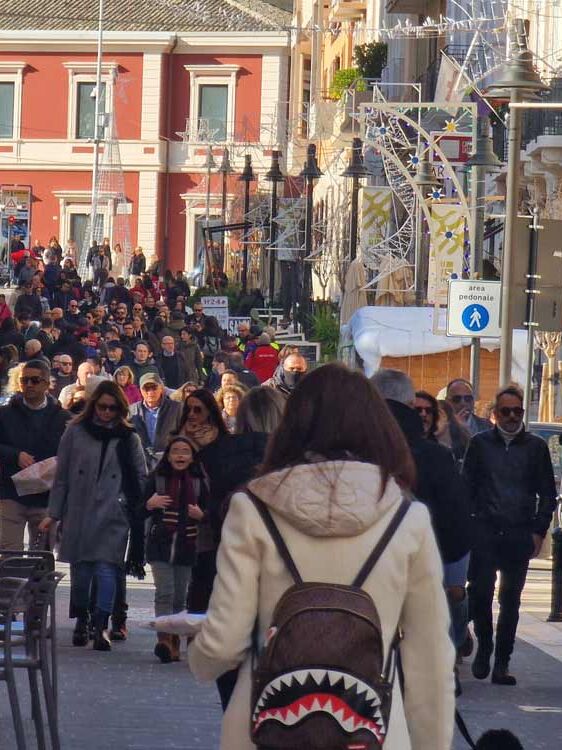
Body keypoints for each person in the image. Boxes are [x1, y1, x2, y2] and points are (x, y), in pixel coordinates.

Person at [187, 363, 455, 750]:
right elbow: (430, 659)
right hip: (373, 730)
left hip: (265, 728)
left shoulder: (253, 508)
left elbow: (224, 643)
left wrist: (198, 657)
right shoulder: (406, 519)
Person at [41, 381, 147, 651]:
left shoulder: (128, 436)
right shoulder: (75, 432)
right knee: (82, 571)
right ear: (93, 405)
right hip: (80, 508)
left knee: (107, 568)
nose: (107, 413)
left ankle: (101, 625)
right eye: (102, 407)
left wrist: (132, 506)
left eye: (113, 408)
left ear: (120, 408)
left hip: (114, 511)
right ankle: (82, 618)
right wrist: (53, 513)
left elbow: (140, 475)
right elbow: (62, 476)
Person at [463, 384, 557, 686]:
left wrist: (538, 531)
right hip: (485, 532)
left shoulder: (535, 447)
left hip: (519, 533)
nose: (513, 416)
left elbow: (548, 493)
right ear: (494, 414)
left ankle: (502, 662)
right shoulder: (479, 445)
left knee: (510, 600)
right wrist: (471, 526)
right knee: (480, 594)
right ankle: (485, 648)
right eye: (506, 411)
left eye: (517, 411)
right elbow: (468, 488)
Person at [144, 436, 208, 663]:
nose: (180, 455)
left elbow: (212, 512)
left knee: (180, 597)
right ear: (168, 455)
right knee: (165, 593)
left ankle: (174, 642)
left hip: (187, 545)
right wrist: (149, 505)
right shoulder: (157, 479)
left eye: (185, 451)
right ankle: (163, 640)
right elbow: (138, 507)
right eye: (175, 451)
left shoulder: (201, 482)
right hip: (160, 543)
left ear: (192, 457)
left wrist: (202, 516)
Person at [0, 359, 71, 550]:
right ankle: (11, 581)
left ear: (47, 384)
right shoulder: (5, 414)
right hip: (11, 493)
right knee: (9, 555)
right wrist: (15, 455)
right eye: (25, 380)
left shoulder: (62, 417)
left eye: (34, 380)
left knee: (41, 558)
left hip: (45, 496)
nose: (29, 385)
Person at [129, 372, 182, 470]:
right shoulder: (131, 411)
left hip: (169, 461)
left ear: (161, 388)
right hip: (142, 462)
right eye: (146, 388)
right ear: (140, 390)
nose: (150, 392)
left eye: (154, 388)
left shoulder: (176, 408)